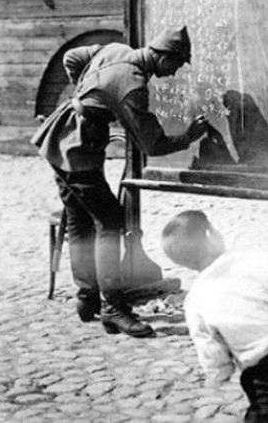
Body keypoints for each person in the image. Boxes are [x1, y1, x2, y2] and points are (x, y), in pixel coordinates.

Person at [31, 27, 208, 337]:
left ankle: (87, 298)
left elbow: (72, 58)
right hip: (77, 149)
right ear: (163, 57)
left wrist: (85, 95)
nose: (175, 72)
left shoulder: (115, 49)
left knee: (78, 219)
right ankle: (113, 308)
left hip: (60, 136)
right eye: (177, 64)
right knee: (110, 220)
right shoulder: (134, 87)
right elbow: (152, 145)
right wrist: (188, 136)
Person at [161, 210, 268, 423]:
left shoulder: (196, 300)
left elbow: (211, 351)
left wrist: (219, 372)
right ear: (210, 237)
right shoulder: (256, 260)